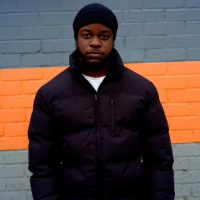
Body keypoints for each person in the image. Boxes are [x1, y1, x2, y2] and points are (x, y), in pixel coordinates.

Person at [28, 3, 175, 200]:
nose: (95, 42)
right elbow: (42, 165)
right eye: (87, 35)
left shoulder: (142, 90)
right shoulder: (50, 94)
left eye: (104, 36)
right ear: (76, 38)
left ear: (113, 39)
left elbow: (160, 160)